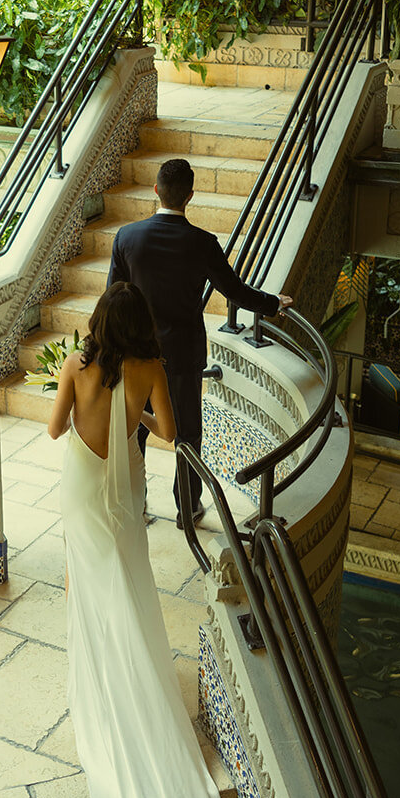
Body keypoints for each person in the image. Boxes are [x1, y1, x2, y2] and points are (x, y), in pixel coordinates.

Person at [47, 282, 297, 798]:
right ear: (140, 327)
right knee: (127, 584)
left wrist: (79, 388)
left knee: (89, 585)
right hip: (123, 502)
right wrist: (140, 408)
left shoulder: (73, 366)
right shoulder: (149, 368)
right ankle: (132, 682)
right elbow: (165, 436)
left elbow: (55, 433)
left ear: (95, 326)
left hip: (79, 493)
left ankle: (99, 681)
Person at [107, 157, 292, 526]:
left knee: (134, 428)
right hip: (182, 354)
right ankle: (187, 509)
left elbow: (112, 297)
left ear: (156, 189)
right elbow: (236, 292)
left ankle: (133, 504)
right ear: (189, 196)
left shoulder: (126, 237)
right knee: (187, 434)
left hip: (135, 354)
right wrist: (273, 304)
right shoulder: (203, 243)